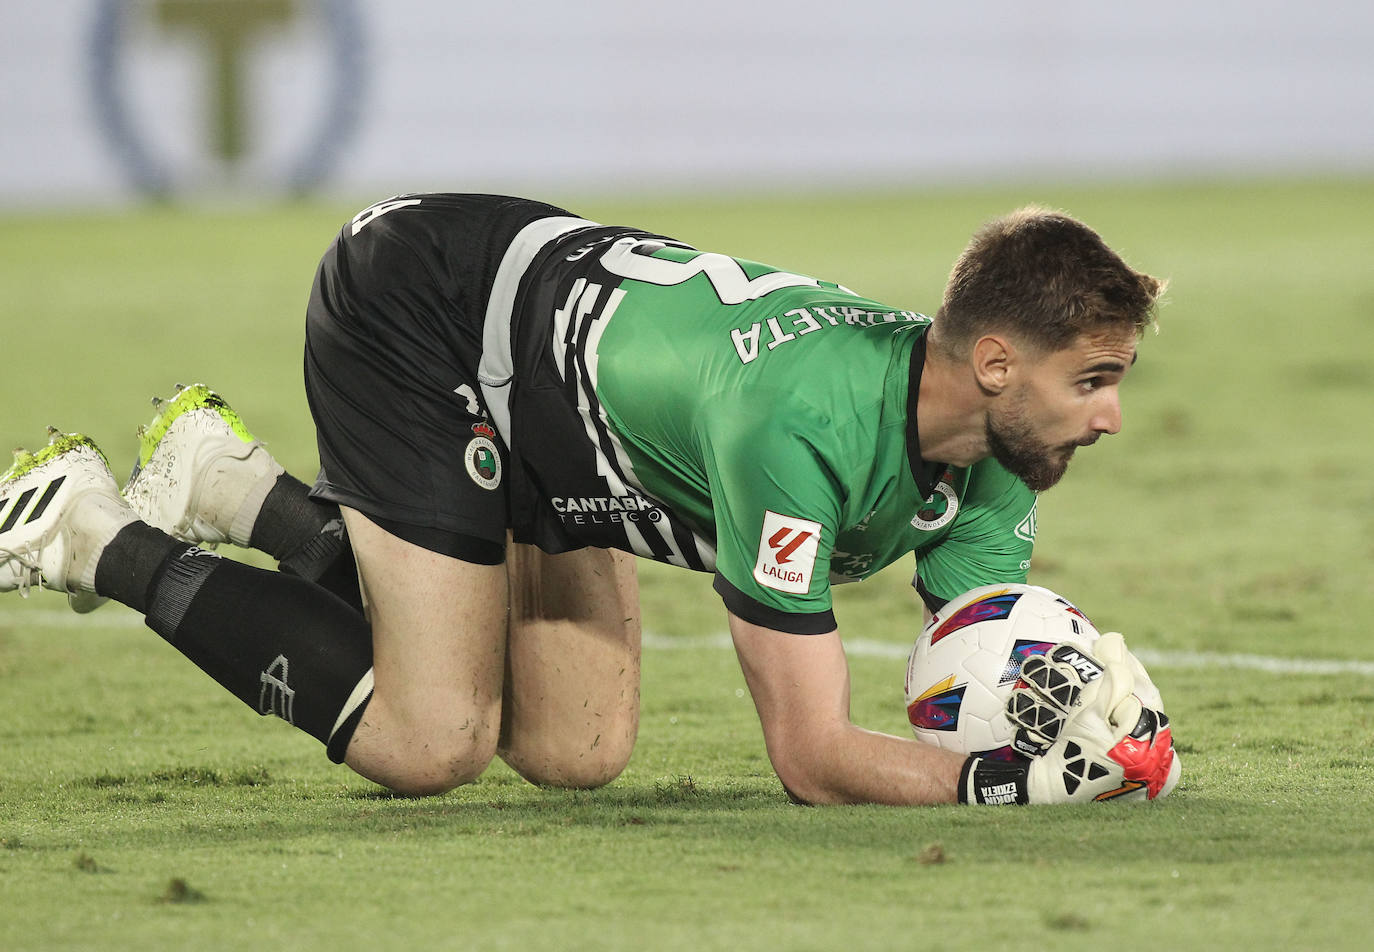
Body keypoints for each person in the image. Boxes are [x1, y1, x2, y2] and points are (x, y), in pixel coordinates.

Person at [0, 194, 1177, 806]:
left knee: (578, 750)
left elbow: (991, 650)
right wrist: (1005, 782)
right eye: (1096, 380)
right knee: (435, 737)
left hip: (561, 411)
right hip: (427, 314)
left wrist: (1102, 729)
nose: (1112, 416)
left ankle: (241, 490)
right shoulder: (801, 429)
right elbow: (811, 757)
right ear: (996, 365)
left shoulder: (990, 458)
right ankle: (91, 532)